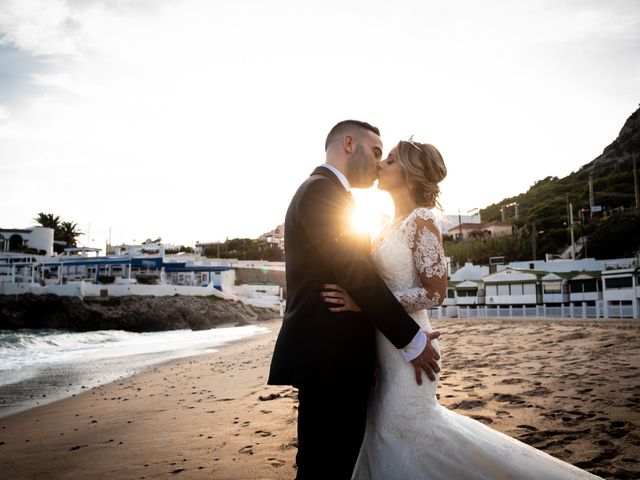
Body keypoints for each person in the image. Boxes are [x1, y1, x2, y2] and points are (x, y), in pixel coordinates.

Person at [321, 138, 602, 479]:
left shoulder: (422, 220)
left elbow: (435, 292)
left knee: (405, 432)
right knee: (383, 433)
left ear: (410, 173)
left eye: (391, 160)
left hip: (412, 346)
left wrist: (364, 304)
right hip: (383, 347)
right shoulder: (385, 225)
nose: (381, 165)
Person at [268, 121, 441, 480]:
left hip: (345, 358)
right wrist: (411, 339)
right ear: (350, 144)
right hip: (330, 357)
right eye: (378, 153)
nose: (380, 163)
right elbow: (355, 273)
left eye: (387, 158)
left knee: (336, 460)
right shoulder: (322, 192)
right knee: (327, 464)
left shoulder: (333, 194)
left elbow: (366, 279)